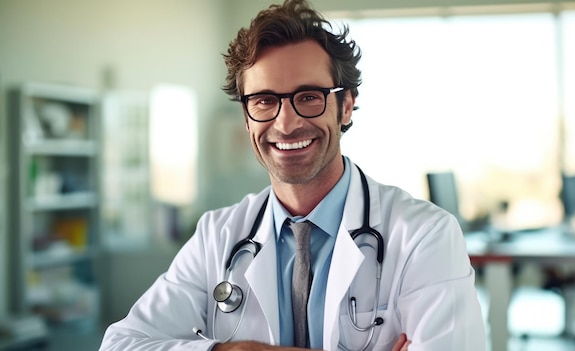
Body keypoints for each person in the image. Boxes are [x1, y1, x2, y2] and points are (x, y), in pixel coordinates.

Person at [99, 1, 486, 350]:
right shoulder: (217, 236)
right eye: (264, 100)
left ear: (346, 106)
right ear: (247, 115)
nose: (286, 123)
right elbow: (121, 344)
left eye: (308, 97)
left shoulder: (424, 235)